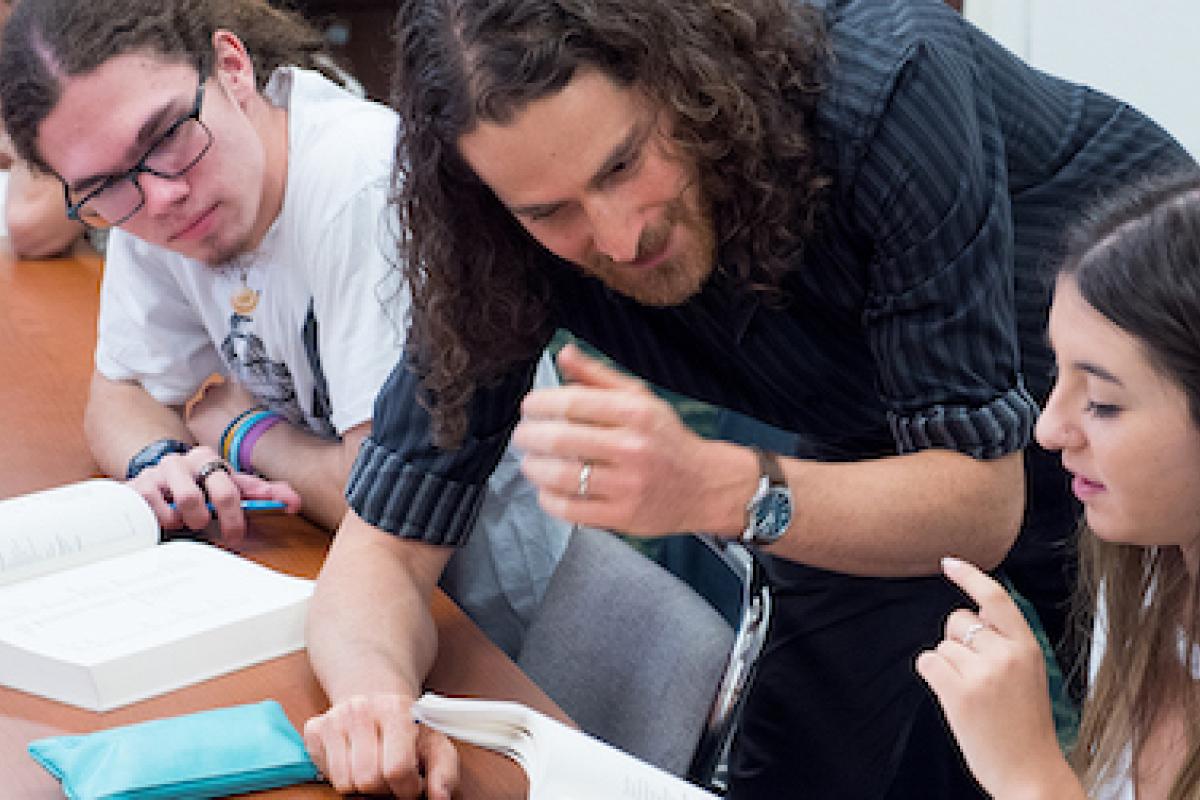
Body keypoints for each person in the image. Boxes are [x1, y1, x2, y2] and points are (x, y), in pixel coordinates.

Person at [322, 0, 1198, 797]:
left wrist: (715, 487)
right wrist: (373, 701)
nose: (620, 237)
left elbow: (982, 499)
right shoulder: (499, 247)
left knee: (1132, 738)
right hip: (873, 443)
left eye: (626, 162)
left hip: (1123, 410)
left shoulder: (888, 86)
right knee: (810, 757)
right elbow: (382, 554)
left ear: (682, 82)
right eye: (551, 211)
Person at [0, 0, 569, 769]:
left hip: (495, 636)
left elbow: (387, 500)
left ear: (232, 69)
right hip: (347, 597)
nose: (160, 197)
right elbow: (120, 397)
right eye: (104, 188)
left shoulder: (365, 187)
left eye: (166, 134)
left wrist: (242, 435)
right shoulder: (156, 187)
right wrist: (164, 463)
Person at [918, 172, 1200, 800]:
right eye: (1057, 372)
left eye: (1101, 401)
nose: (1047, 430)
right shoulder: (1147, 572)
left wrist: (1030, 777)